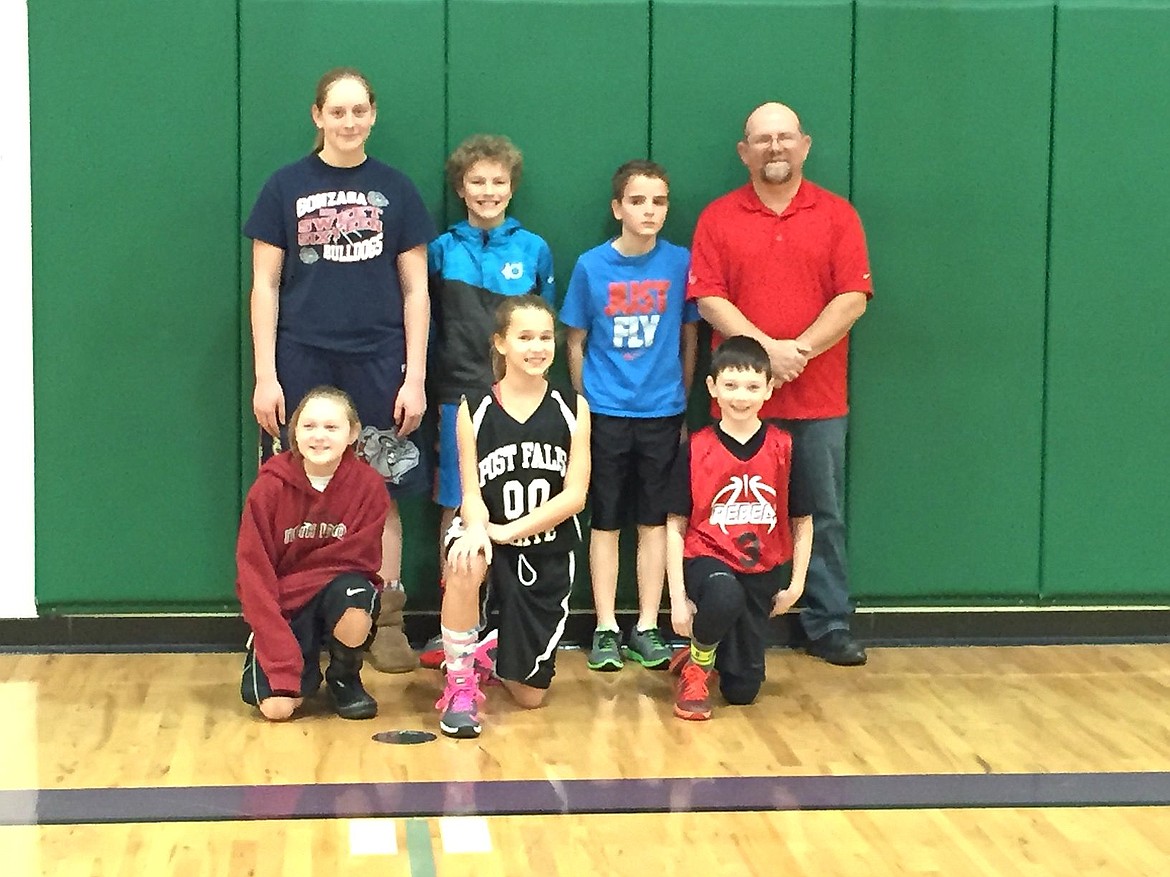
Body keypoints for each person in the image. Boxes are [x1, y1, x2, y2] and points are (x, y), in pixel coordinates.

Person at [243, 68, 434, 675]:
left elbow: (416, 293)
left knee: (384, 488)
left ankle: (386, 618)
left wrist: (416, 375)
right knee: (287, 492)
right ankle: (279, 618)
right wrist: (266, 374)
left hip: (379, 358)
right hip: (302, 356)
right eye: (338, 111)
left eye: (360, 111)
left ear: (373, 114)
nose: (349, 122)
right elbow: (265, 286)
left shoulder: (397, 190)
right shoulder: (285, 187)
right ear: (317, 116)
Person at [687, 101, 872, 666]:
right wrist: (766, 355)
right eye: (762, 139)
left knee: (820, 511)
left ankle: (828, 622)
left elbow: (853, 297)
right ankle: (734, 622)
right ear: (744, 152)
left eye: (785, 137)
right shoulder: (717, 217)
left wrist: (799, 352)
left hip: (818, 400)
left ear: (804, 145)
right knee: (727, 510)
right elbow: (709, 297)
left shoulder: (838, 215)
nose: (775, 147)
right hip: (740, 404)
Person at [421, 134, 556, 670]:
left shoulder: (533, 249)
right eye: (477, 181)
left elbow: (541, 329)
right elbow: (427, 323)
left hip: (516, 402)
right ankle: (456, 623)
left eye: (498, 182)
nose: (488, 191)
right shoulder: (441, 249)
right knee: (457, 509)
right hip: (457, 397)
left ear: (512, 187)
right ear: (461, 188)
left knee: (512, 503)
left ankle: (508, 622)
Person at [560, 159, 698, 672]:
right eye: (638, 201)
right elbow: (574, 340)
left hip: (662, 412)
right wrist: (586, 403)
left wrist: (680, 400)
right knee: (607, 519)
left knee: (654, 521)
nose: (649, 210)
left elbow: (689, 337)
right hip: (606, 414)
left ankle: (646, 624)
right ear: (618, 208)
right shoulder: (591, 266)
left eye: (659, 201)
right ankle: (602, 626)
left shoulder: (680, 262)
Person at [435, 295, 591, 738]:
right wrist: (483, 531)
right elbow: (471, 493)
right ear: (501, 344)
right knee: (465, 555)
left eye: (545, 337)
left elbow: (574, 496)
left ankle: (489, 649)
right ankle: (460, 684)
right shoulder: (476, 405)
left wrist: (508, 531)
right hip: (490, 537)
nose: (537, 347)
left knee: (529, 696)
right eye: (524, 337)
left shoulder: (572, 407)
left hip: (546, 550)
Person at [664, 337, 813, 720]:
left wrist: (795, 585)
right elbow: (675, 524)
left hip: (762, 570)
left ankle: (704, 650)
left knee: (742, 691)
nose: (740, 396)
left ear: (768, 388)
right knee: (724, 592)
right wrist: (678, 599)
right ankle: (698, 665)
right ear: (712, 388)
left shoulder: (784, 447)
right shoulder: (696, 447)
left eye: (751, 386)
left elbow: (803, 521)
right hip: (707, 560)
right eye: (730, 385)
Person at [237, 386, 390, 721]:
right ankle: (293, 662)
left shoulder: (368, 486)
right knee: (277, 710)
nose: (319, 436)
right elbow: (253, 571)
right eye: (309, 426)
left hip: (336, 592)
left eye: (331, 427)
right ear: (294, 432)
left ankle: (344, 676)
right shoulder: (269, 488)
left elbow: (360, 562)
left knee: (356, 599)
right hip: (285, 604)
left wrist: (316, 582)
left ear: (352, 434)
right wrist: (275, 642)